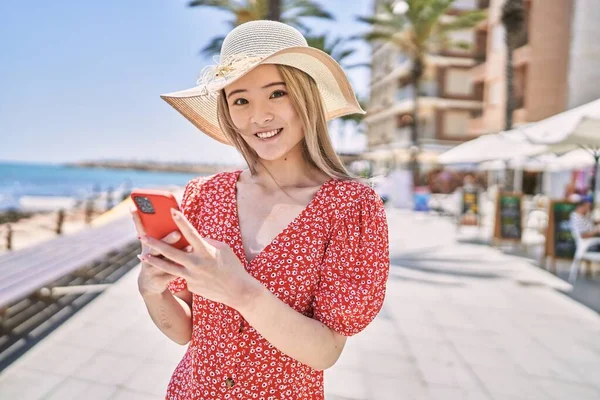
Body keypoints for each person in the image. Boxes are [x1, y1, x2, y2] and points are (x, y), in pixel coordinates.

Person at [130, 20, 390, 400]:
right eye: (241, 100)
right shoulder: (205, 195)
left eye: (277, 93)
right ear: (228, 112)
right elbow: (185, 332)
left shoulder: (350, 208)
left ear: (307, 99)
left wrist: (241, 291)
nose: (259, 116)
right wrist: (152, 292)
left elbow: (325, 351)